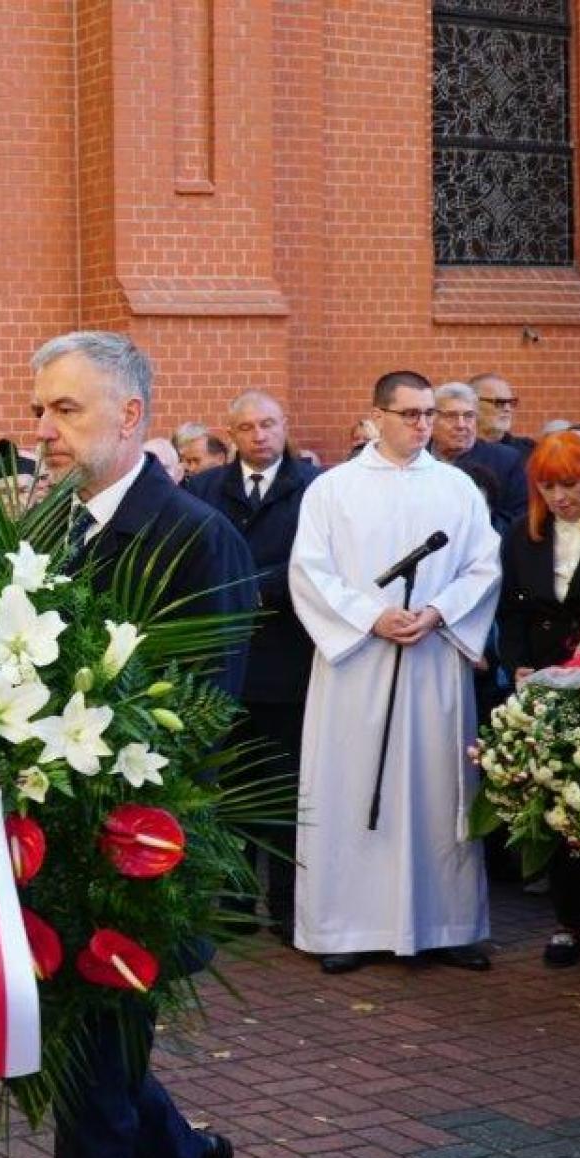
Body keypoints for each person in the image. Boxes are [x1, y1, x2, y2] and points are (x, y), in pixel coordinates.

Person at [31, 331, 253, 1158]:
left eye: (65, 410)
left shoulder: (198, 537)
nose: (42, 429)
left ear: (130, 417)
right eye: (38, 408)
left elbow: (207, 712)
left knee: (93, 1082)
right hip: (45, 849)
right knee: (90, 1069)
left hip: (139, 860)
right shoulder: (45, 534)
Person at [289, 371, 503, 975]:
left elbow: (484, 568)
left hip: (433, 660)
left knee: (437, 785)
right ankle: (346, 926)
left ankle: (446, 924)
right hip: (358, 663)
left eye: (429, 414)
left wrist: (438, 613)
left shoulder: (458, 488)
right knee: (352, 785)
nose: (423, 425)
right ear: (376, 416)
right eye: (409, 414)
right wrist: (371, 616)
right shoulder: (333, 489)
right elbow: (309, 572)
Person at [186, 390, 320, 943]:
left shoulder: (315, 490)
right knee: (232, 792)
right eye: (247, 427)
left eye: (269, 424)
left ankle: (290, 908)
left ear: (285, 425)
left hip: (288, 660)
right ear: (231, 433)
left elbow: (314, 563)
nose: (260, 435)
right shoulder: (203, 489)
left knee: (287, 795)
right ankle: (236, 904)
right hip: (227, 662)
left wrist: (246, 587)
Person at [494, 432, 580, 972]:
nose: (560, 498)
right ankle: (568, 921)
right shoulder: (523, 537)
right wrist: (519, 661)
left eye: (569, 485)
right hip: (546, 681)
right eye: (547, 487)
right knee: (557, 800)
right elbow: (509, 611)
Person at [430, 381, 527, 531]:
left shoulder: (506, 461)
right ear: (432, 420)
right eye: (451, 416)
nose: (461, 425)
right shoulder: (417, 457)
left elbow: (519, 521)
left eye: (469, 416)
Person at [470, 373, 531, 460]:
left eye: (510, 402)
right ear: (473, 404)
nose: (507, 409)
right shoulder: (457, 451)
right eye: (499, 402)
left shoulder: (529, 452)